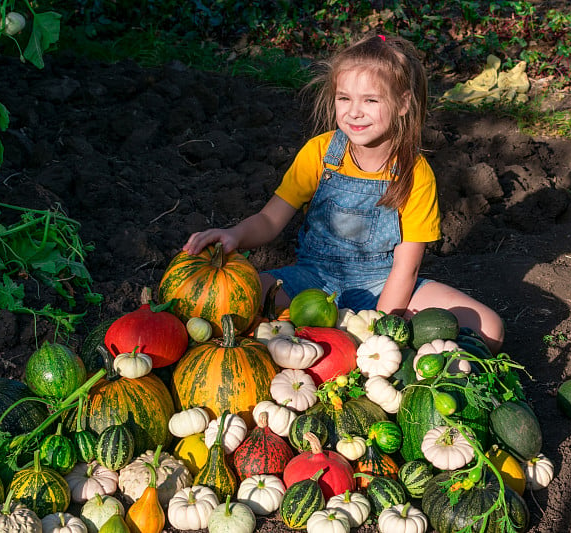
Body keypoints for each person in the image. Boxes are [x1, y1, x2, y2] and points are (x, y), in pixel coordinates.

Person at [183, 34, 504, 353]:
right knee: (231, 307)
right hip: (311, 279)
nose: (354, 112)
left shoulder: (415, 173)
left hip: (384, 285)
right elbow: (269, 219)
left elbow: (406, 269)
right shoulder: (319, 153)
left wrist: (377, 334)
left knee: (488, 328)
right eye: (344, 98)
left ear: (403, 103)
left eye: (371, 100)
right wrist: (234, 236)